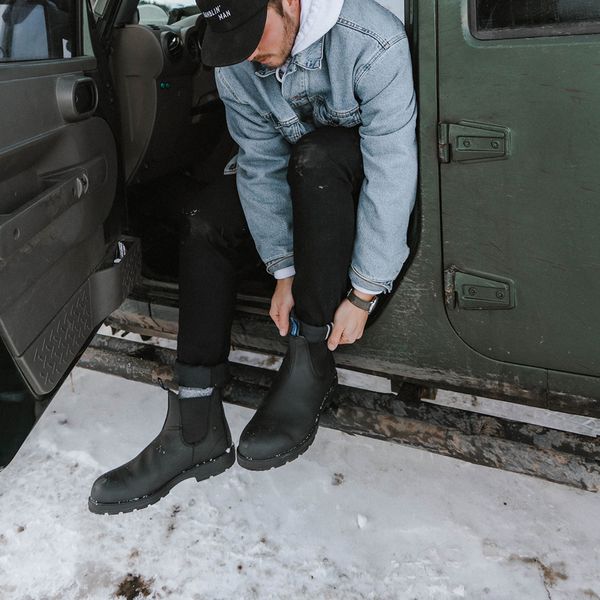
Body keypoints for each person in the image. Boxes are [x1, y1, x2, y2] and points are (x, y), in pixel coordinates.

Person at [88, 0, 417, 515]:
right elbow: (261, 164)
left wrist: (364, 292)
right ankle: (196, 424)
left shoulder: (373, 41)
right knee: (204, 219)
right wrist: (282, 270)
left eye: (251, 35)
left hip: (347, 185)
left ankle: (309, 356)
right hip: (292, 174)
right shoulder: (237, 59)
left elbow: (393, 171)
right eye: (232, 41)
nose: (248, 55)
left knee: (316, 157)